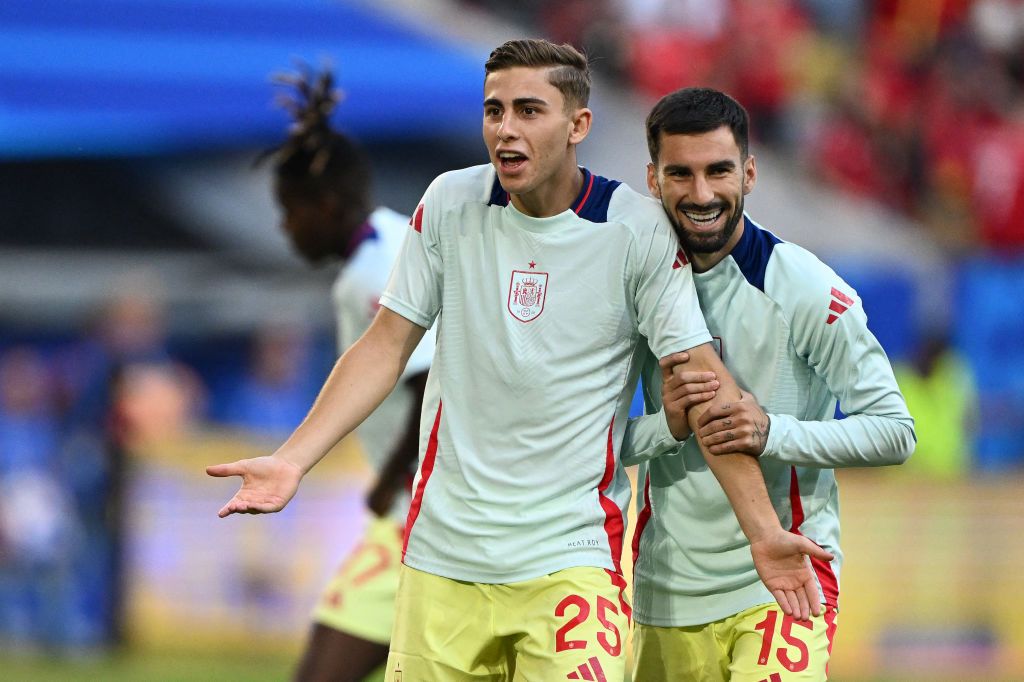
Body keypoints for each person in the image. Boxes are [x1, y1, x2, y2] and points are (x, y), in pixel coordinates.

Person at [208, 40, 828, 681]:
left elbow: (701, 385)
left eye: (529, 110)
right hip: (444, 557)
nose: (505, 129)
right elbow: (386, 343)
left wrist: (762, 532)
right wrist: (291, 460)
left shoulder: (635, 230)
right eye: (494, 110)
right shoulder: (450, 202)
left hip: (572, 560)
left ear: (578, 125)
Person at [625, 87, 916, 681]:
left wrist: (772, 432)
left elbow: (896, 432)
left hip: (784, 586)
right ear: (652, 179)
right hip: (665, 591)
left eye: (719, 171)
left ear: (751, 173)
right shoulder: (630, 287)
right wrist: (665, 427)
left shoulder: (805, 288)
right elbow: (589, 438)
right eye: (680, 173)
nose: (701, 194)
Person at [262, 66, 434, 681]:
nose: (285, 228)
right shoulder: (389, 237)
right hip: (417, 515)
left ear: (325, 206)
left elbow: (426, 377)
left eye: (289, 213)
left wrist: (389, 480)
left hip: (422, 517)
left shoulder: (374, 270)